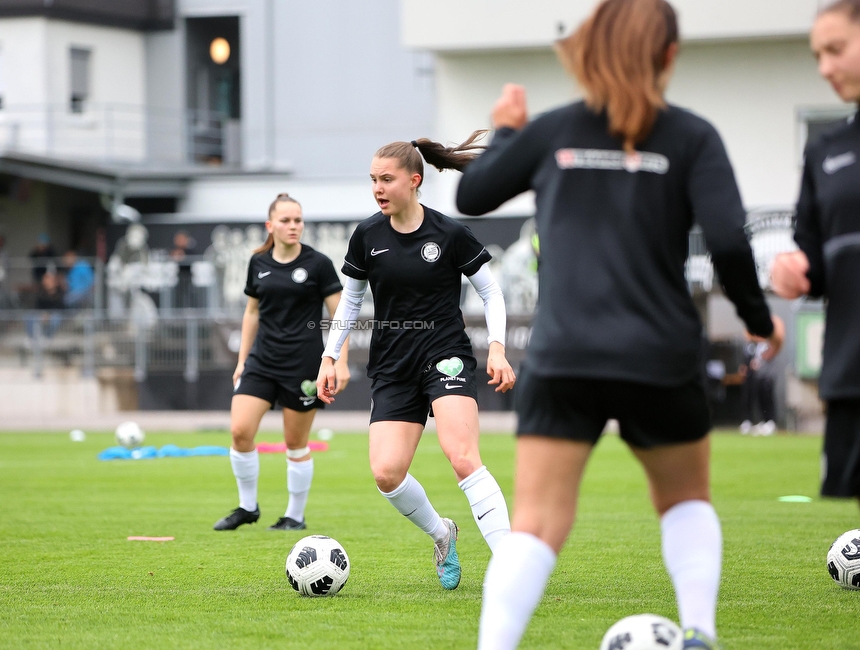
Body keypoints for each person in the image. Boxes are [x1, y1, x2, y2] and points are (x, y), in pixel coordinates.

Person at [455, 1, 785, 648]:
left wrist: (505, 132)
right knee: (685, 500)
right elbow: (728, 238)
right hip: (659, 356)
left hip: (562, 355)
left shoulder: (552, 131)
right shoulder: (692, 136)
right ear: (668, 56)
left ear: (587, 50)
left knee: (538, 523)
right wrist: (756, 318)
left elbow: (471, 197)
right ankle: (699, 632)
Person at [316, 134, 516, 592]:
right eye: (372, 180)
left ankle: (510, 566)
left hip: (445, 354)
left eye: (386, 179)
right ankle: (443, 533)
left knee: (463, 457)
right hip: (392, 363)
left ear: (414, 179)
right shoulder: (367, 235)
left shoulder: (448, 233)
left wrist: (499, 346)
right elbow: (349, 304)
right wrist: (330, 357)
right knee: (387, 473)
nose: (378, 188)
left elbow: (491, 291)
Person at [214, 194, 350, 532]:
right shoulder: (257, 262)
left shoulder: (318, 264)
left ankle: (295, 516)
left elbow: (341, 315)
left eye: (298, 220)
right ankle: (247, 507)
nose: (293, 226)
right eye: (286, 220)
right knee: (240, 431)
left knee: (295, 443)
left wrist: (339, 362)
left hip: (303, 366)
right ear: (270, 225)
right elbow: (251, 312)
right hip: (261, 362)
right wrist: (242, 360)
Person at [771, 0, 860, 505]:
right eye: (817, 55)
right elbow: (813, 262)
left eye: (837, 50)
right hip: (852, 369)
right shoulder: (825, 151)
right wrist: (795, 272)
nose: (825, 67)